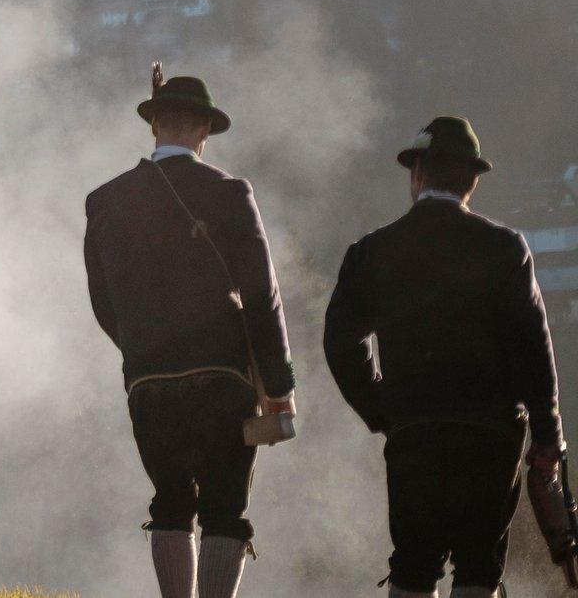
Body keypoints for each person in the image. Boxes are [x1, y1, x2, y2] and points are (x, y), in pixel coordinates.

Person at [324, 116, 563, 598]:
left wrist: (381, 409)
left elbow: (340, 342)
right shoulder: (505, 248)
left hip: (414, 431)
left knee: (413, 563)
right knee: (480, 564)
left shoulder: (371, 251)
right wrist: (547, 434)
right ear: (473, 181)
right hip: (491, 433)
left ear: (416, 174)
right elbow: (534, 347)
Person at [84, 70, 295, 598]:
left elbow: (103, 302)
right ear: (204, 131)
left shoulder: (104, 200)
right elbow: (263, 297)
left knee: (171, 503)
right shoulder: (229, 192)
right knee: (225, 509)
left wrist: (142, 350)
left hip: (147, 379)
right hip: (223, 375)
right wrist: (280, 384)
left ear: (154, 126)